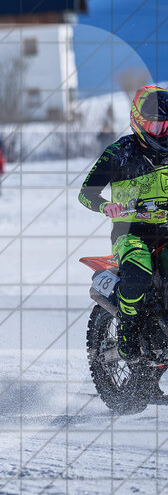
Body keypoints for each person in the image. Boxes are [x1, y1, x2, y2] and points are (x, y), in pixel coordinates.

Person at [79, 86, 168, 376]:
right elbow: (86, 192)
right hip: (131, 234)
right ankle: (128, 331)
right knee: (139, 271)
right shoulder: (120, 153)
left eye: (167, 126)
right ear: (139, 122)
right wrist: (106, 207)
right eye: (157, 125)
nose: (162, 132)